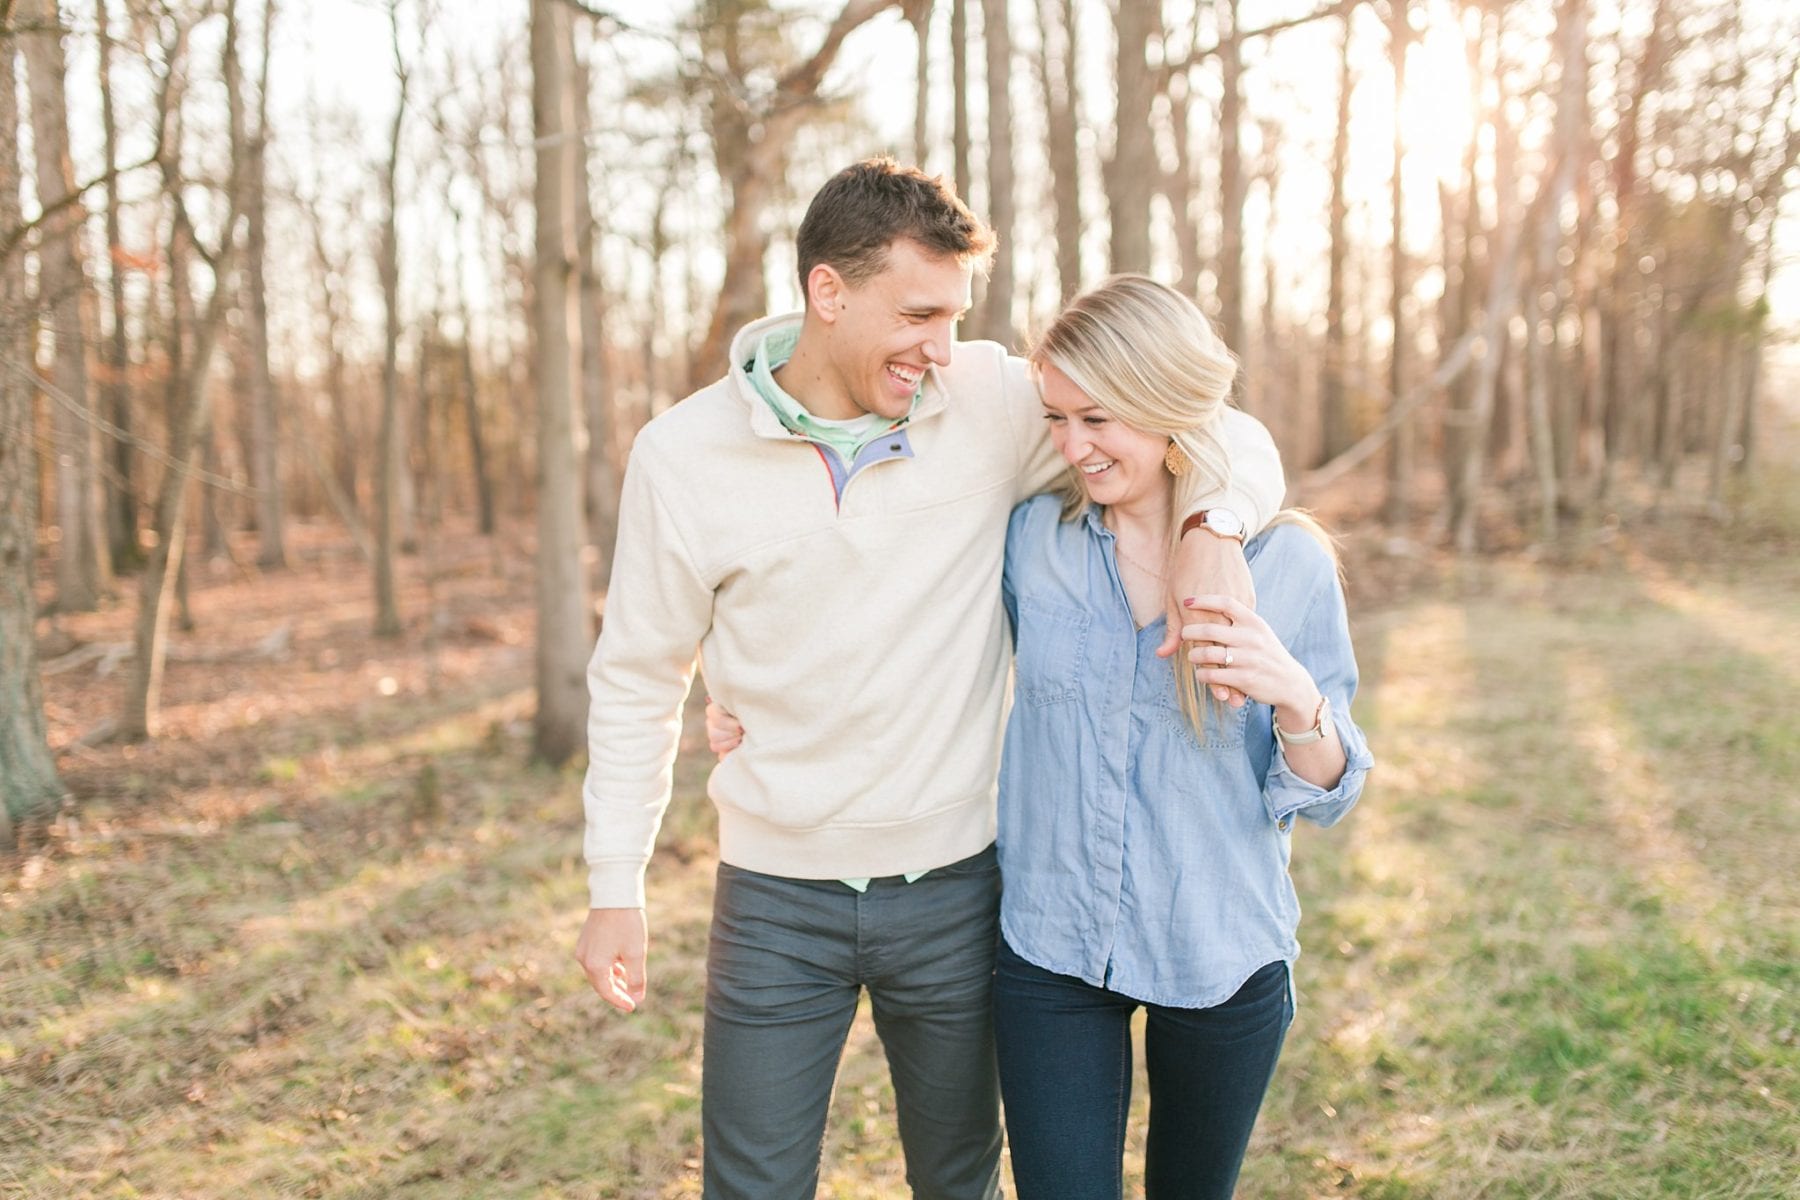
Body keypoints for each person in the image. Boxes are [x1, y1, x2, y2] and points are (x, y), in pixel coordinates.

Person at [573, 159, 1287, 1200]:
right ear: (829, 293)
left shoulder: (992, 404)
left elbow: (1220, 425)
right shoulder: (682, 458)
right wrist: (613, 888)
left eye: (955, 316)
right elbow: (638, 676)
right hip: (773, 896)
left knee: (960, 1180)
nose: (941, 348)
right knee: (751, 1184)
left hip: (957, 887)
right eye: (917, 313)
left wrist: (1213, 526)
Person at [994, 275, 1374, 1199]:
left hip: (1220, 948)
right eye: (1056, 418)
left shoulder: (1283, 563)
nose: (1072, 447)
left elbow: (1332, 788)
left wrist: (1293, 697)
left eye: (1099, 420)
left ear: (1166, 407)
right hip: (1053, 945)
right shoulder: (1032, 541)